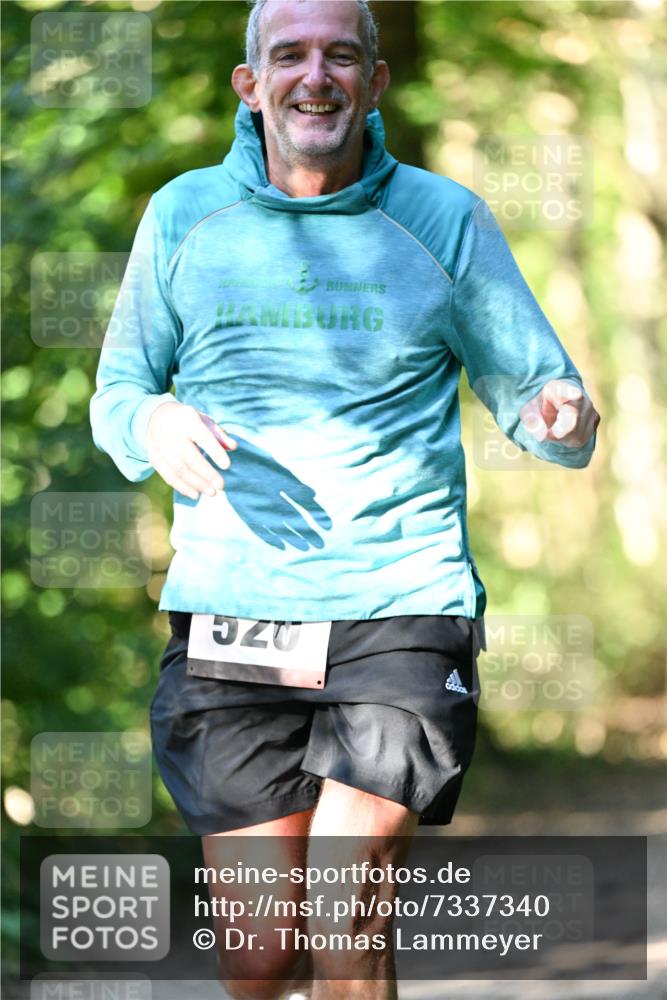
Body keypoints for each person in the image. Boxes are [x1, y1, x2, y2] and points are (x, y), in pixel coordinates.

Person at [89, 1, 600, 997]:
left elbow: (539, 396)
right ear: (250, 84)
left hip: (399, 603)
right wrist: (152, 423)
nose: (313, 76)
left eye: (339, 55)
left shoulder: (443, 219)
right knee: (260, 955)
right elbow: (118, 394)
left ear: (374, 81)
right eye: (288, 55)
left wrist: (560, 416)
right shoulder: (184, 217)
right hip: (234, 608)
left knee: (344, 910)